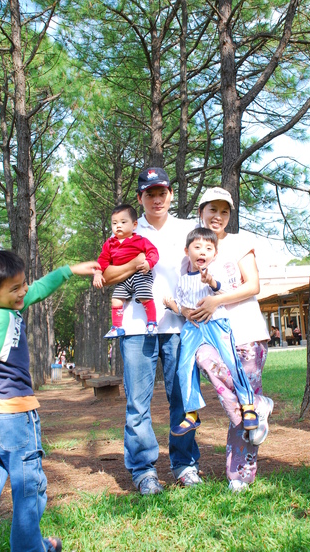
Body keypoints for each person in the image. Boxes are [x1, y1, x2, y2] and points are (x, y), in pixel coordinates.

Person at [0, 249, 100, 551]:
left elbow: (39, 289)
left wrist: (69, 269)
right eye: (15, 288)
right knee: (29, 489)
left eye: (23, 284)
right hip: (14, 419)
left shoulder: (1, 309)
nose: (23, 292)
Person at [102, 167, 200, 495]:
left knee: (183, 398)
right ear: (140, 198)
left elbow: (206, 261)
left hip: (179, 325)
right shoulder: (127, 231)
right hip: (135, 326)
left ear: (171, 194)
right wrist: (134, 263)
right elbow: (108, 274)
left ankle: (185, 464)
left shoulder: (188, 228)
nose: (157, 199)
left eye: (162, 193)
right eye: (149, 194)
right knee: (138, 403)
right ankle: (144, 470)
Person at [189, 186, 273, 493]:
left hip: (246, 332)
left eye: (225, 211)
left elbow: (253, 286)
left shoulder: (240, 243)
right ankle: (259, 404)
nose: (218, 216)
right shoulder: (195, 246)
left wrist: (216, 301)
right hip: (211, 335)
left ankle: (240, 476)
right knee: (237, 399)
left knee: (243, 406)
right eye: (212, 210)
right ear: (201, 212)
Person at [164, 228, 262, 436]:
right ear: (186, 251)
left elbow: (222, 290)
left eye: (208, 248)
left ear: (215, 254)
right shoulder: (182, 280)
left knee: (232, 362)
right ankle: (191, 414)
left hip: (217, 323)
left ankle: (248, 406)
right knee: (184, 368)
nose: (203, 252)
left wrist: (211, 281)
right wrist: (175, 307)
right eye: (197, 247)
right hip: (193, 328)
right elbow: (182, 307)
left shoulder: (215, 273)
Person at [93, 203, 159, 338]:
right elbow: (102, 260)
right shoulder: (110, 244)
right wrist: (98, 273)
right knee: (116, 300)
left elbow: (153, 252)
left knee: (144, 295)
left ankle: (152, 322)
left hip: (141, 275)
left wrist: (148, 263)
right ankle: (117, 327)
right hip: (122, 279)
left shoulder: (140, 240)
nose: (118, 226)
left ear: (134, 225)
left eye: (123, 222)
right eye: (114, 223)